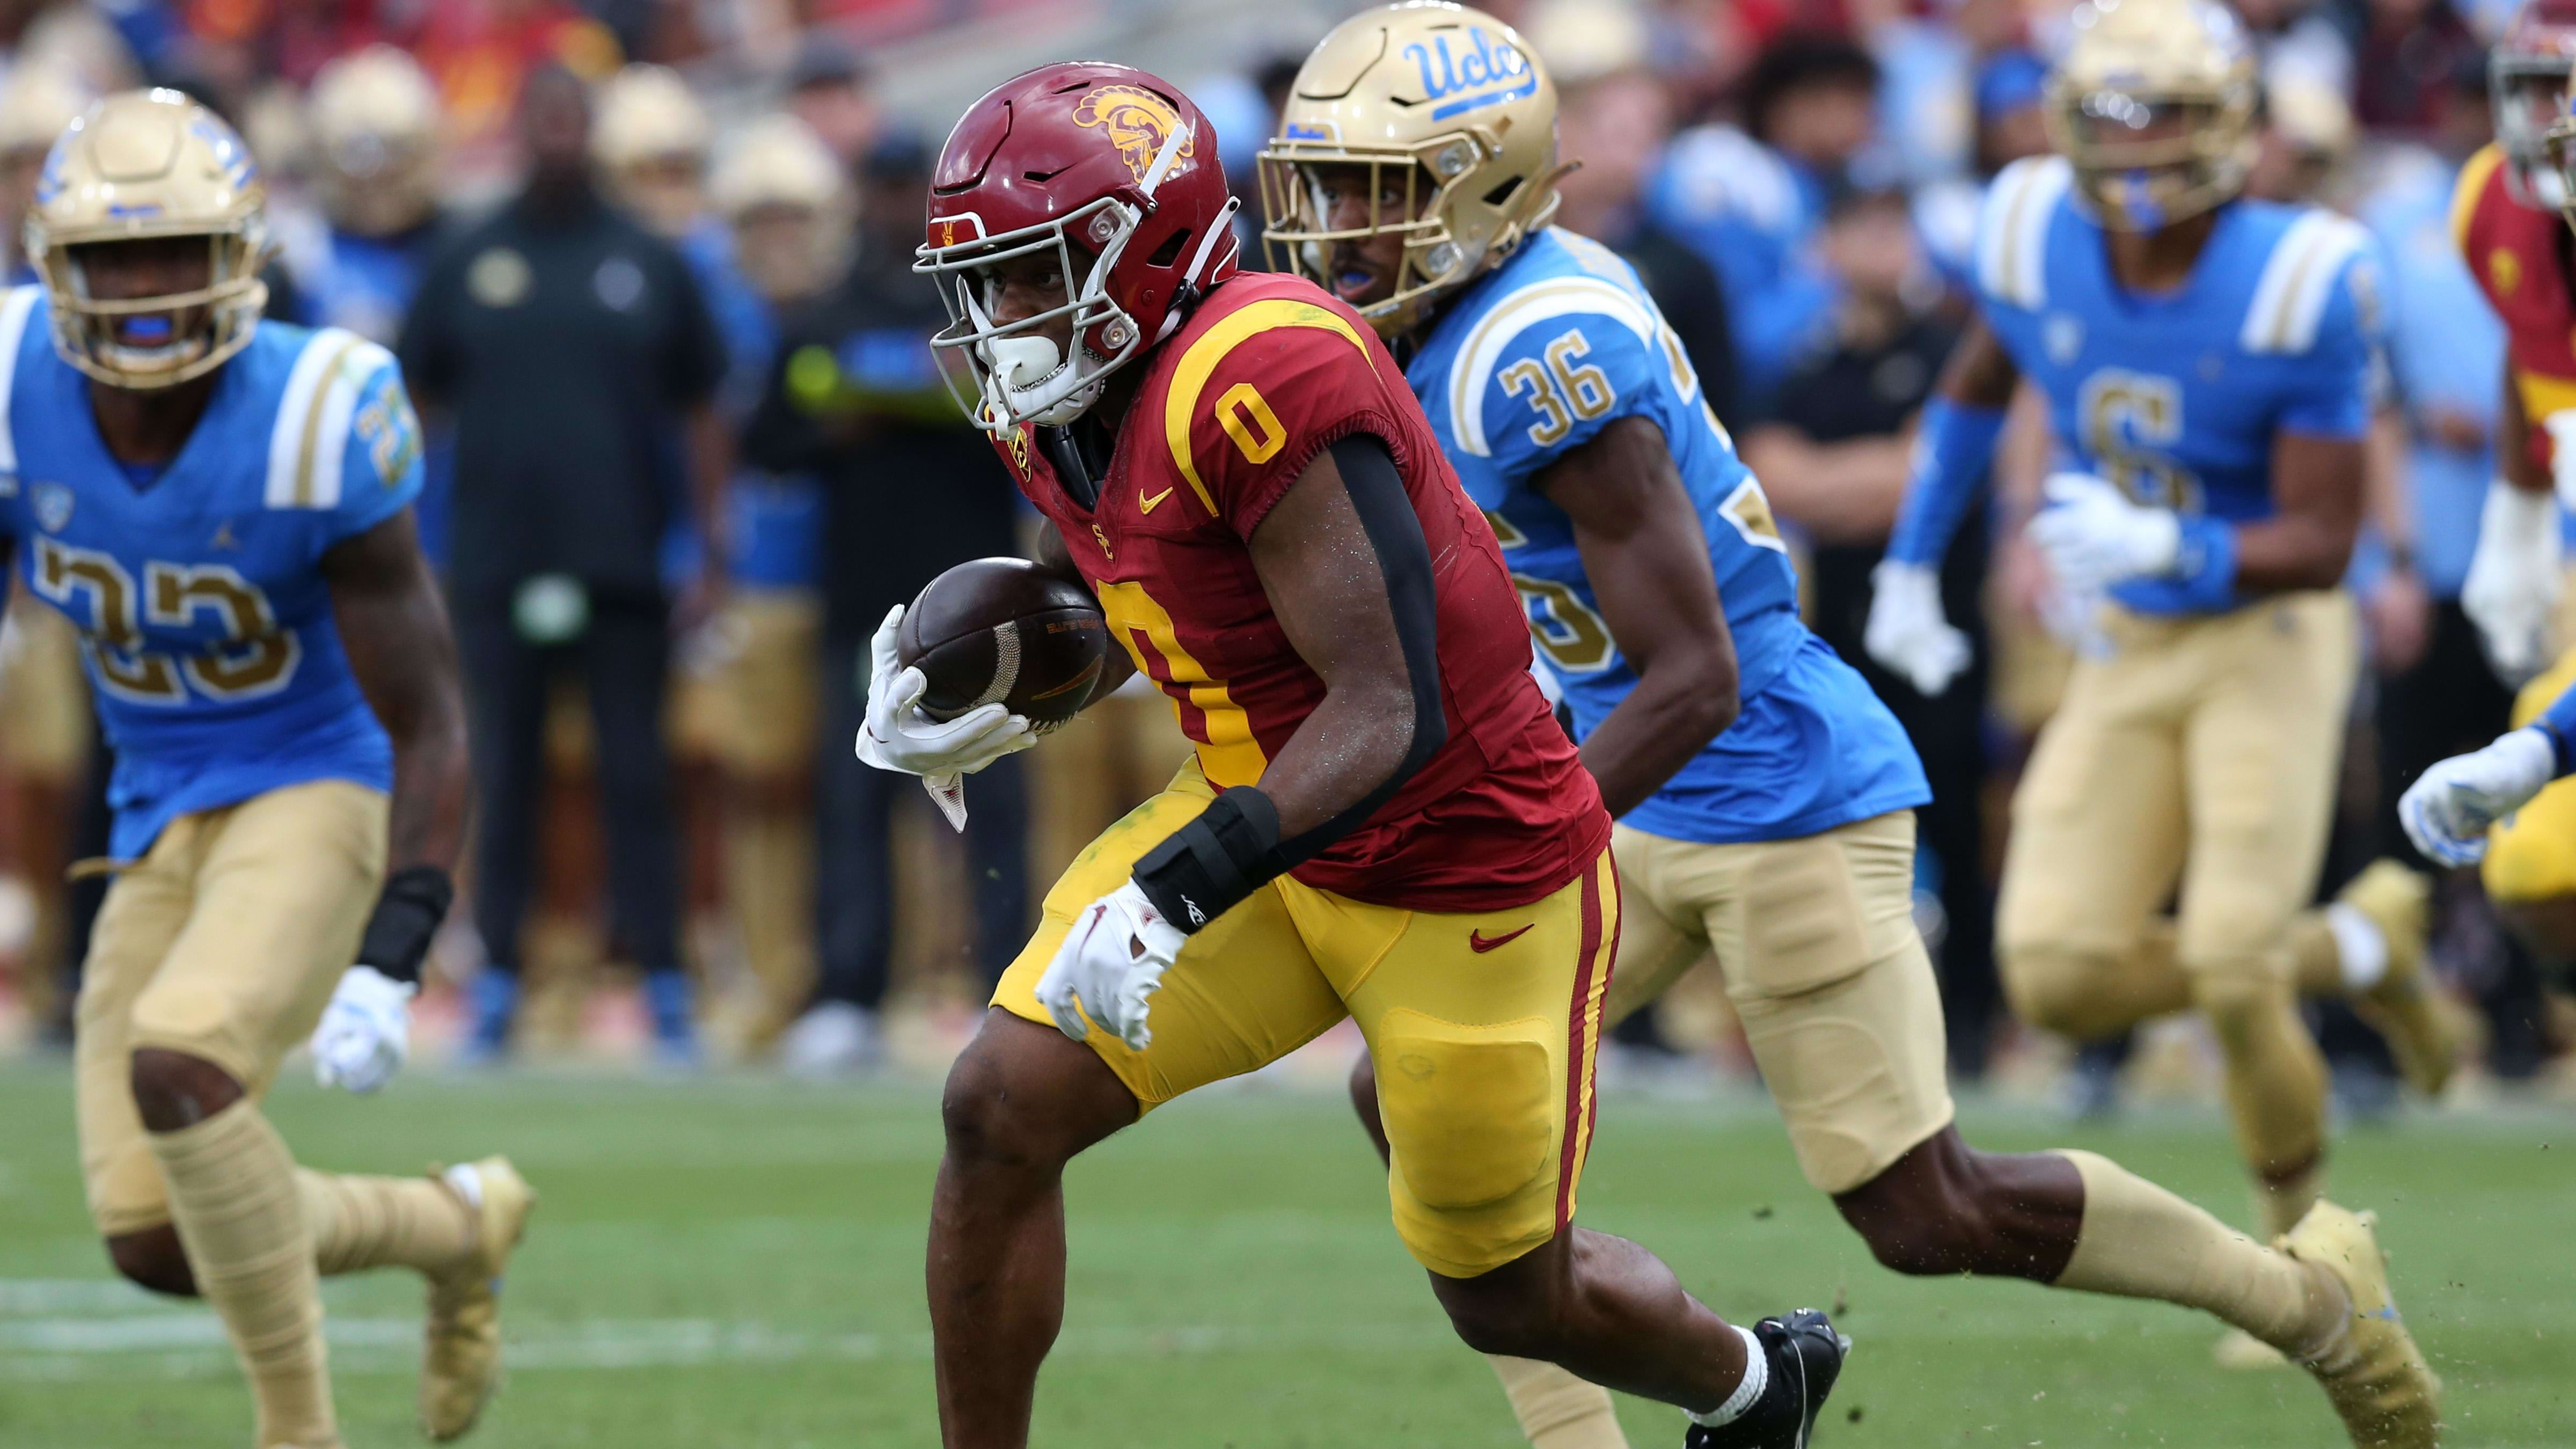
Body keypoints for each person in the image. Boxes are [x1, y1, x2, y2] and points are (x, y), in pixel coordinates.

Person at [1263, 8, 2439, 1449]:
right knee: (1414, 1084)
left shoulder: (1537, 348)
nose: (1334, 232)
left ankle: (2317, 1305)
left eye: (1374, 194)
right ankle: (1575, 1435)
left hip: (1771, 780)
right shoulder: (1440, 319)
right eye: (1320, 189)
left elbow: (1693, 674)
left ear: (1483, 185)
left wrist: (1519, 825)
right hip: (1635, 784)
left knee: (1923, 1209)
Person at [892, 59, 1846, 1449]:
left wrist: (1169, 892)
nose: (1005, 316)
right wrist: (1002, 674)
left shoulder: (1260, 363)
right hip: (1273, 818)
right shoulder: (1061, 391)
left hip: (1462, 868)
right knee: (996, 1105)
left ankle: (1756, 1388)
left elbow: (1388, 706)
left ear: (1146, 250)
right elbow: (1140, 590)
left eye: (1039, 273)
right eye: (986, 280)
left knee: (1511, 1294)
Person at [1863, 4, 2444, 1429]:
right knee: (2056, 972)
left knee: (2239, 965)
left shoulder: (2304, 274)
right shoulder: (2025, 227)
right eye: (2113, 114)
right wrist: (1906, 558)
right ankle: (2363, 939)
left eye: (2166, 116)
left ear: (2233, 122)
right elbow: (1975, 388)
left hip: (2264, 629)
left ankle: (2307, 1241)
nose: (2134, 149)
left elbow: (2319, 536)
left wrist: (2174, 548)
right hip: (2131, 635)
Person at [3, 90, 532, 1448]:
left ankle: (298, 1432)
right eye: (112, 258)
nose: (140, 292)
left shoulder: (317, 405)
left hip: (317, 775)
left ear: (239, 253)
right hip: (150, 807)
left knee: (181, 1064)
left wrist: (397, 947)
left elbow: (429, 715)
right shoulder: (12, 385)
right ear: (52, 266)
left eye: (173, 251)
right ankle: (451, 1226)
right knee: (152, 1238)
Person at [397, 64, 729, 1061]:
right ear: (514, 128)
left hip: (623, 565)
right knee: (502, 774)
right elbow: (416, 402)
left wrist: (708, 553)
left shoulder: (647, 259)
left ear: (590, 133)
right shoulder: (468, 255)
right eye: (537, 119)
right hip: (496, 565)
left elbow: (704, 408)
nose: (553, 137)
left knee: (637, 777)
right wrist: (412, 547)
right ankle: (498, 979)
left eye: (569, 120)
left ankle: (666, 986)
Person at [744, 130, 1031, 1073]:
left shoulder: (986, 304)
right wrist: (838, 425)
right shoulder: (829, 309)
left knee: (993, 796)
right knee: (858, 796)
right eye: (884, 184)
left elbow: (1045, 421)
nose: (894, 200)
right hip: (865, 600)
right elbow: (768, 442)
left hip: (981, 598)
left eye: (908, 184)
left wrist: (962, 397)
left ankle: (1007, 987)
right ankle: (850, 994)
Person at [701, 113, 849, 1053]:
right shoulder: (715, 314)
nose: (777, 237)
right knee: (761, 785)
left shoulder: (854, 308)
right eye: (759, 218)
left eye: (793, 216)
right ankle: (768, 970)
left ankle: (890, 971)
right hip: (754, 580)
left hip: (851, 578)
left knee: (868, 784)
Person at [2442, 8, 2576, 977]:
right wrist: (2517, 523)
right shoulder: (2493, 203)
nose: (2546, 117)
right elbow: (2528, 361)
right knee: (2533, 863)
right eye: (2534, 88)